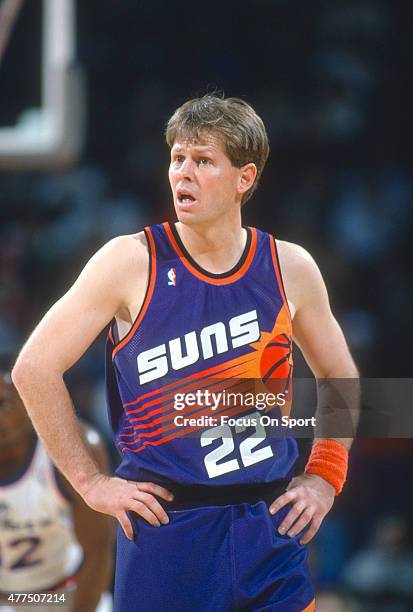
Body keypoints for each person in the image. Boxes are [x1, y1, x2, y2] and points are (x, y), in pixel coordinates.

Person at [11, 94, 359, 611]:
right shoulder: (129, 261)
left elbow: (341, 373)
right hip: (167, 530)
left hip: (270, 525)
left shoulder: (291, 266)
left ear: (245, 178)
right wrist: (90, 483)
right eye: (177, 158)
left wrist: (326, 476)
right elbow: (32, 369)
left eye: (203, 161)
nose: (183, 174)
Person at [0, 370, 114, 612]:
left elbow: (98, 552)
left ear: (25, 402)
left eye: (3, 404)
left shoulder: (74, 447)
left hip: (66, 594)